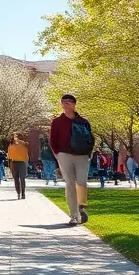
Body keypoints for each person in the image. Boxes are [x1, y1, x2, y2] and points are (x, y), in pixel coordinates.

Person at [50, 93, 92, 226]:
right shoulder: (57, 122)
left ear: (74, 104)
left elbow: (90, 139)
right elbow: (52, 140)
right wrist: (57, 154)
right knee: (70, 184)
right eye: (62, 102)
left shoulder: (83, 121)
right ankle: (74, 215)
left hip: (82, 156)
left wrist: (88, 153)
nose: (64, 104)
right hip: (64, 155)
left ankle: (81, 207)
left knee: (82, 182)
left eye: (67, 102)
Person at [7, 133, 29, 199]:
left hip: (22, 162)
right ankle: (18, 193)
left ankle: (23, 193)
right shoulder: (10, 145)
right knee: (16, 179)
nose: (15, 137)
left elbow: (27, 148)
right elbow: (9, 156)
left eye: (16, 136)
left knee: (22, 178)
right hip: (14, 162)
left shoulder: (22, 143)